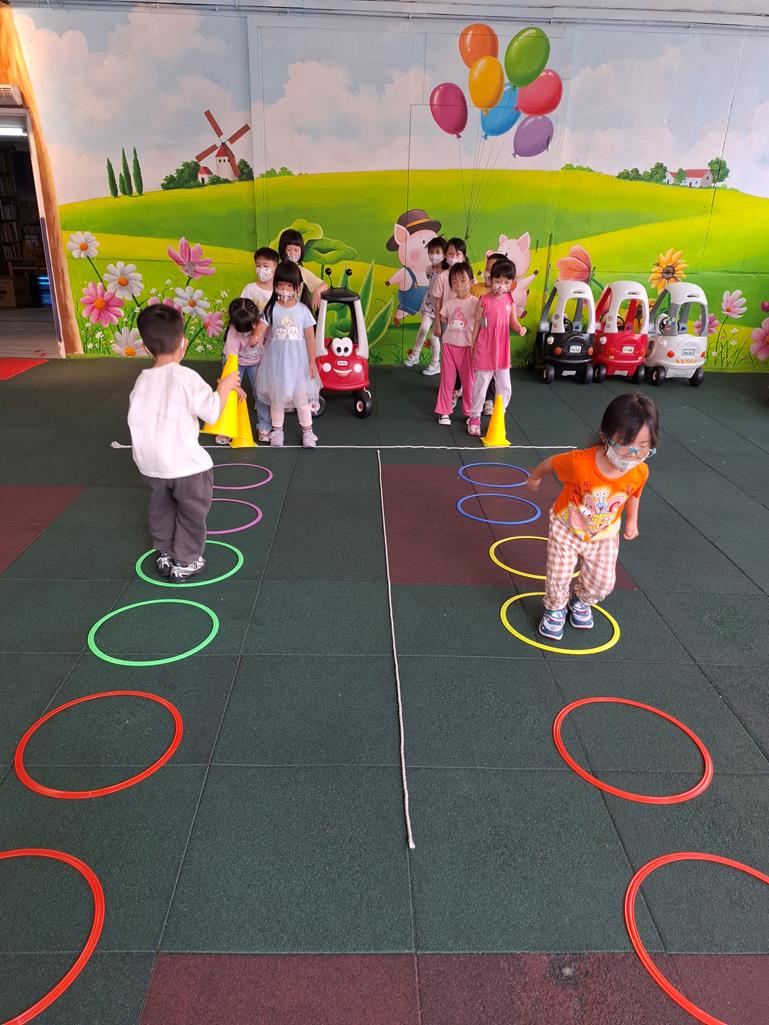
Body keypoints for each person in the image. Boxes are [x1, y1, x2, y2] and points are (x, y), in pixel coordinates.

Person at [528, 393, 659, 640]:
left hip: (604, 533)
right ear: (605, 437)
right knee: (558, 575)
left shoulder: (640, 471)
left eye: (643, 448)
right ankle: (555, 608)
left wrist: (632, 521)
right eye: (626, 445)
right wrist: (535, 477)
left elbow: (634, 494)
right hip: (567, 527)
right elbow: (552, 463)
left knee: (603, 582)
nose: (633, 455)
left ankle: (580, 600)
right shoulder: (580, 463)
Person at [129, 304, 244, 583]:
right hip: (187, 467)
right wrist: (225, 386)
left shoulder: (142, 381)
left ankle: (165, 552)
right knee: (192, 513)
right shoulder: (187, 378)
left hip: (151, 466)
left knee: (161, 509)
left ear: (145, 347)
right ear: (183, 343)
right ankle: (187, 560)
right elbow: (212, 412)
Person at [255, 261, 319, 448]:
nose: (284, 290)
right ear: (275, 286)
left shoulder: (303, 311)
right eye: (280, 285)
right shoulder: (271, 309)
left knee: (301, 400)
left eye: (289, 286)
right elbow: (260, 328)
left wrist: (312, 361)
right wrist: (255, 337)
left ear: (298, 287)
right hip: (276, 364)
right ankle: (277, 431)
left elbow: (310, 338)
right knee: (277, 400)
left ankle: (308, 432)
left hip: (299, 365)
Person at [467, 257, 525, 437]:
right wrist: (472, 346)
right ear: (491, 279)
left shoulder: (509, 300)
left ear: (511, 284)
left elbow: (513, 321)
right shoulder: (483, 300)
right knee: (481, 384)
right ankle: (474, 416)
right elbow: (477, 324)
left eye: (506, 282)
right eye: (498, 281)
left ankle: (500, 413)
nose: (502, 285)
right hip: (484, 346)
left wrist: (520, 328)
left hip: (502, 349)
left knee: (505, 385)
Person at [218, 297, 272, 444]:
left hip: (256, 363)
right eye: (242, 330)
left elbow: (271, 340)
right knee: (230, 393)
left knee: (260, 393)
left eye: (250, 328)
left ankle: (264, 425)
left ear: (256, 319)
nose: (246, 333)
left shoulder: (263, 324)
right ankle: (226, 428)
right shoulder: (233, 333)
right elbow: (232, 362)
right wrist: (236, 386)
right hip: (236, 363)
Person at [434, 261, 477, 425]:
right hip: (449, 346)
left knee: (469, 381)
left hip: (467, 348)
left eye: (463, 280)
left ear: (471, 281)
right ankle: (443, 411)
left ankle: (470, 412)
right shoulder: (449, 303)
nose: (459, 284)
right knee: (447, 380)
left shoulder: (476, 303)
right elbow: (444, 319)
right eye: (454, 281)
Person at [425, 236, 467, 377]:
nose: (454, 258)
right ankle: (447, 382)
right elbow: (437, 302)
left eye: (457, 254)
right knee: (447, 352)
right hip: (445, 321)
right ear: (445, 256)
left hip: (464, 322)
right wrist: (437, 323)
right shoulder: (442, 276)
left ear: (463, 256)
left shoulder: (468, 276)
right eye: (450, 254)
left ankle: (459, 383)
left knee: (462, 352)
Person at [470, 251, 505, 414]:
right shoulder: (476, 289)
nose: (489, 272)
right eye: (487, 268)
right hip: (475, 334)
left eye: (493, 269)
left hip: (493, 341)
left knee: (491, 371)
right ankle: (465, 392)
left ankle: (489, 400)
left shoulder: (505, 296)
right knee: (474, 371)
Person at [404, 235, 446, 369]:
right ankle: (415, 354)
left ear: (444, 253)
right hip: (429, 305)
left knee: (434, 338)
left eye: (438, 252)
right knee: (423, 328)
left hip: (441, 309)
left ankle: (435, 364)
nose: (434, 255)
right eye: (431, 252)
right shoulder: (429, 269)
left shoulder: (447, 272)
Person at [278, 229, 328, 310]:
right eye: (289, 250)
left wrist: (318, 291)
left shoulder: (302, 271)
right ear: (282, 250)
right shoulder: (275, 269)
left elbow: (324, 285)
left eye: (296, 250)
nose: (293, 254)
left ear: (301, 251)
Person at [241, 246, 279, 314]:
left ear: (276, 268)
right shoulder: (249, 288)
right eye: (258, 266)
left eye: (265, 266)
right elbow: (241, 311)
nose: (261, 269)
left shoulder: (280, 290)